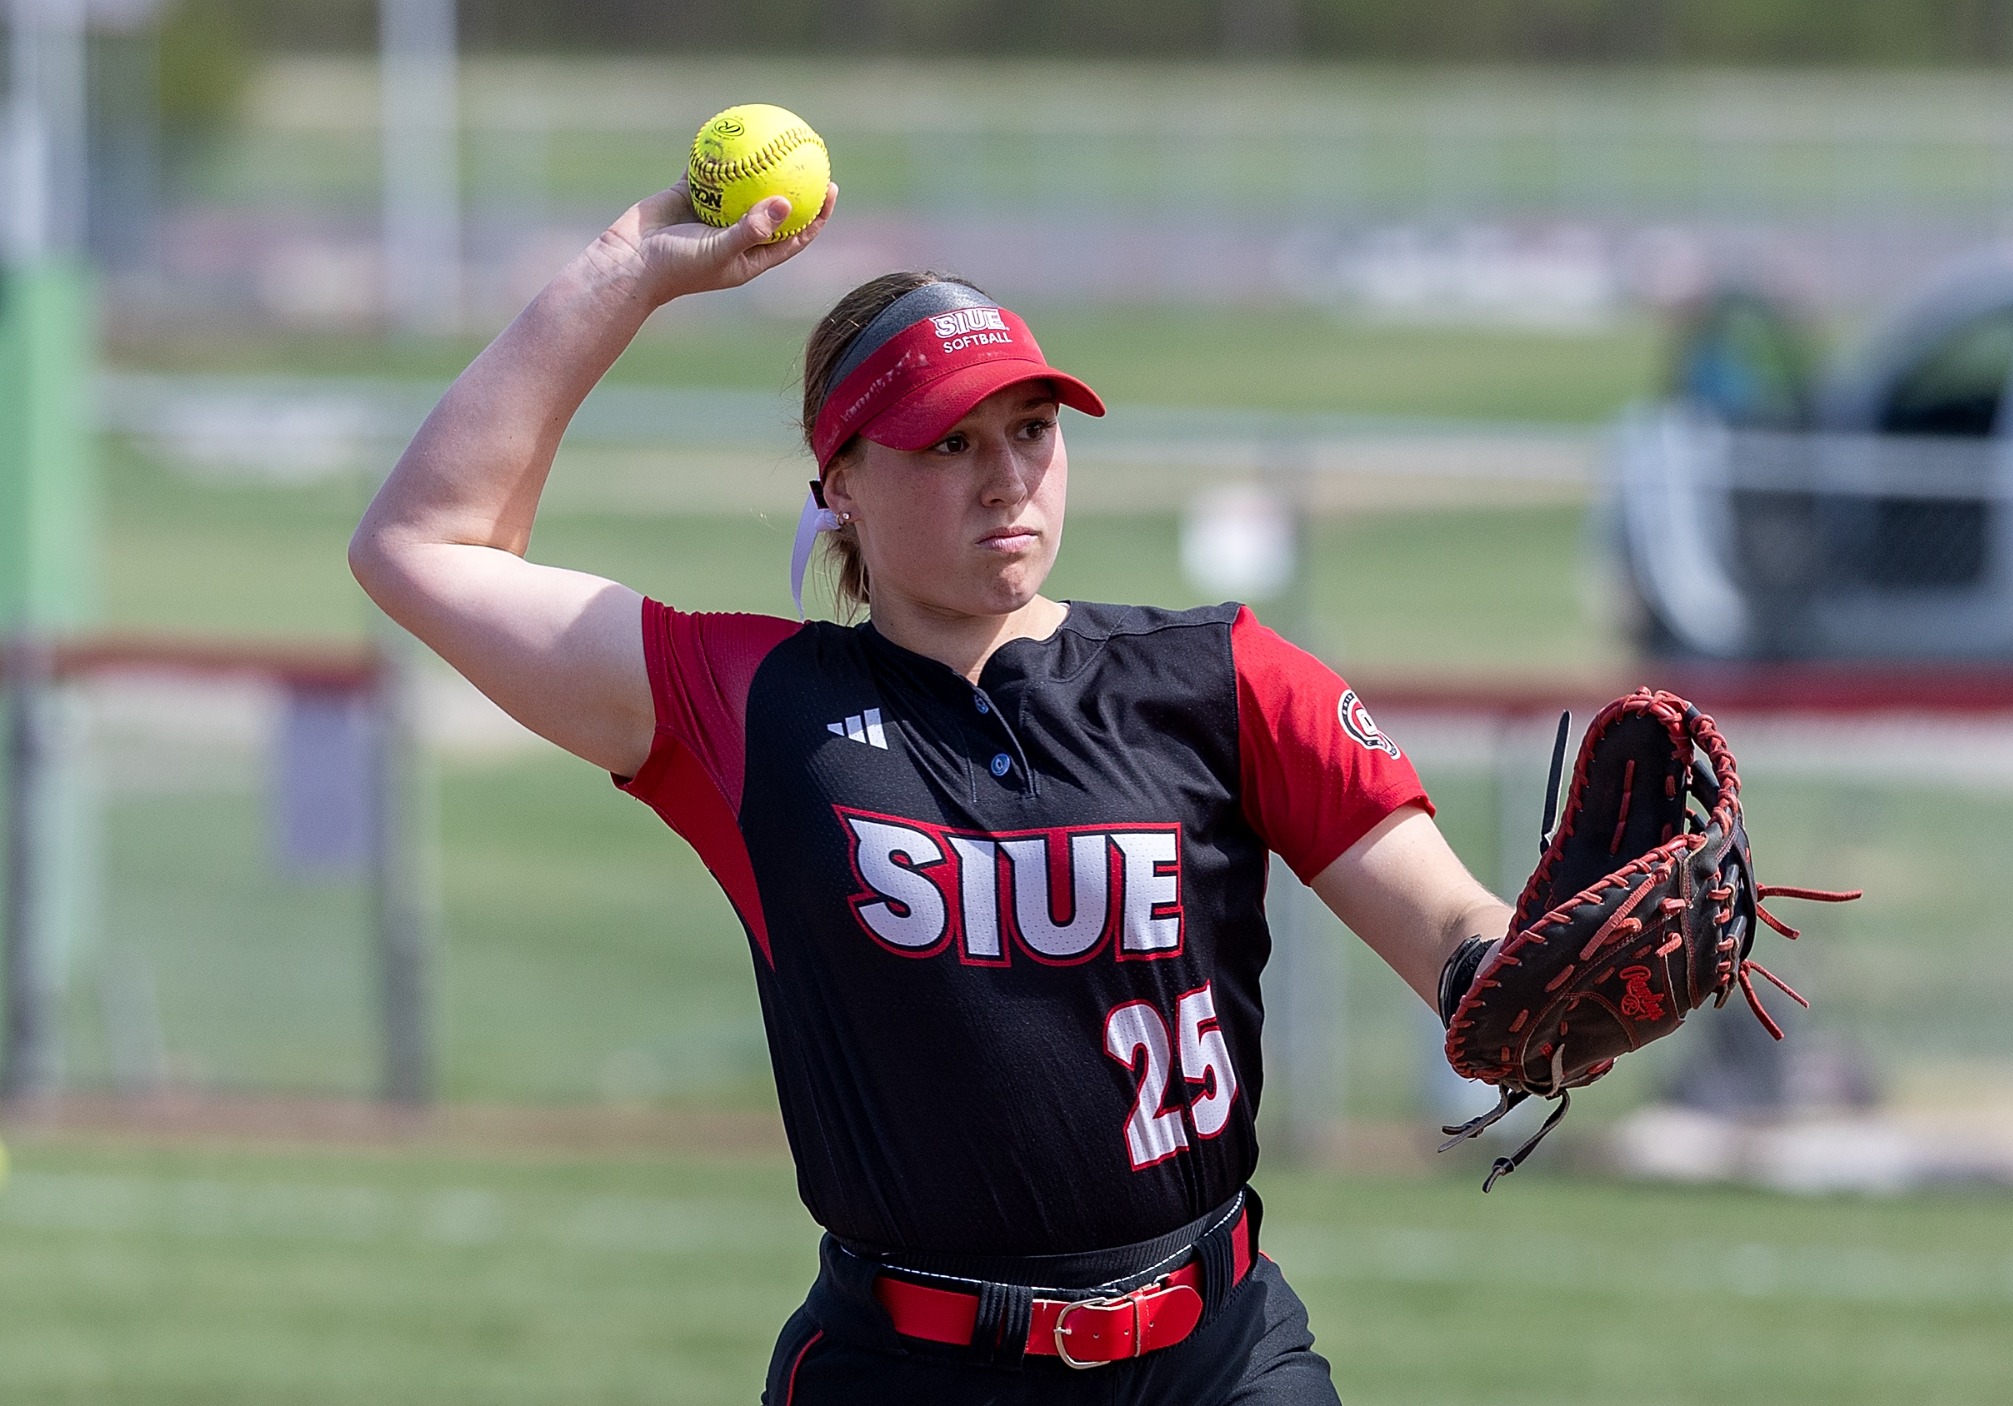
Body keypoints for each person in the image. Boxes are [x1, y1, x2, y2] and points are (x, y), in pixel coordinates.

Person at [349, 180, 1512, 1404]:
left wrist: (1514, 973)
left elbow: (1448, 922)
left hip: (1217, 1358)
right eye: (948, 441)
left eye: (1031, 429)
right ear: (839, 480)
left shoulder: (1215, 677)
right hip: (905, 1367)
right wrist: (631, 264)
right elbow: (421, 542)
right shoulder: (750, 705)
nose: (1007, 478)